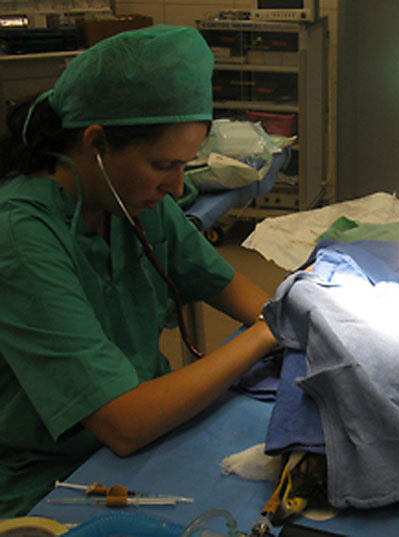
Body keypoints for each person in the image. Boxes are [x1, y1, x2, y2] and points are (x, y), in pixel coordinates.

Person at [0, 25, 278, 517]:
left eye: (185, 165)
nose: (177, 188)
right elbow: (125, 423)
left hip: (147, 439)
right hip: (48, 478)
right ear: (97, 143)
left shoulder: (132, 202)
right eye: (163, 165)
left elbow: (230, 287)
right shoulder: (22, 238)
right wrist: (267, 332)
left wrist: (296, 310)